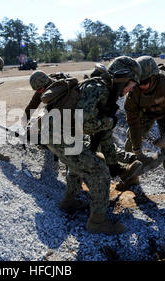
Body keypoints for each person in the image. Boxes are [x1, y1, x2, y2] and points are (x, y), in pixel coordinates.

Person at [39, 56, 143, 234]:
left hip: (59, 133)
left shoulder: (104, 90)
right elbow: (85, 124)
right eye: (131, 85)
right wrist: (108, 123)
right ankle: (97, 222)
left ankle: (69, 201)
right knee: (99, 171)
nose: (129, 90)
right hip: (59, 135)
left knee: (79, 162)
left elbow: (105, 138)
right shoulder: (99, 89)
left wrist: (115, 164)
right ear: (124, 78)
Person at [120, 56, 165, 206]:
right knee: (130, 143)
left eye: (144, 82)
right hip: (145, 113)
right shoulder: (133, 93)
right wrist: (137, 149)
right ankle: (132, 179)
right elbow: (133, 122)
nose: (141, 86)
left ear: (154, 77)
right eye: (138, 83)